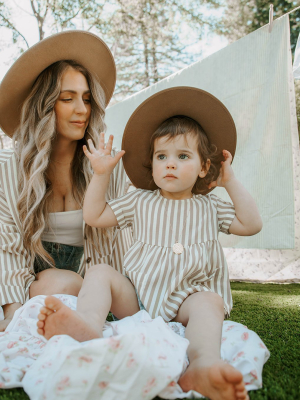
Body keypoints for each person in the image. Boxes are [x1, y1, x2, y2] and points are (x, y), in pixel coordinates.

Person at [37, 87, 262, 400]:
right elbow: (94, 215)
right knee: (101, 271)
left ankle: (202, 362)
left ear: (203, 168)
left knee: (209, 302)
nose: (170, 164)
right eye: (161, 156)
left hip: (187, 300)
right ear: (152, 165)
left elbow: (251, 224)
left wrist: (230, 182)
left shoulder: (210, 206)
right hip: (139, 298)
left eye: (182, 156)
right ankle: (88, 323)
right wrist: (101, 174)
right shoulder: (139, 200)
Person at [0, 30, 131, 332]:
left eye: (86, 98)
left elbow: (127, 236)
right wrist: (12, 312)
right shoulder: (9, 168)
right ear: (44, 105)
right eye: (67, 98)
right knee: (59, 282)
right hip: (27, 280)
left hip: (92, 281)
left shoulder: (108, 166)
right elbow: (6, 246)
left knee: (69, 283)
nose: (82, 110)